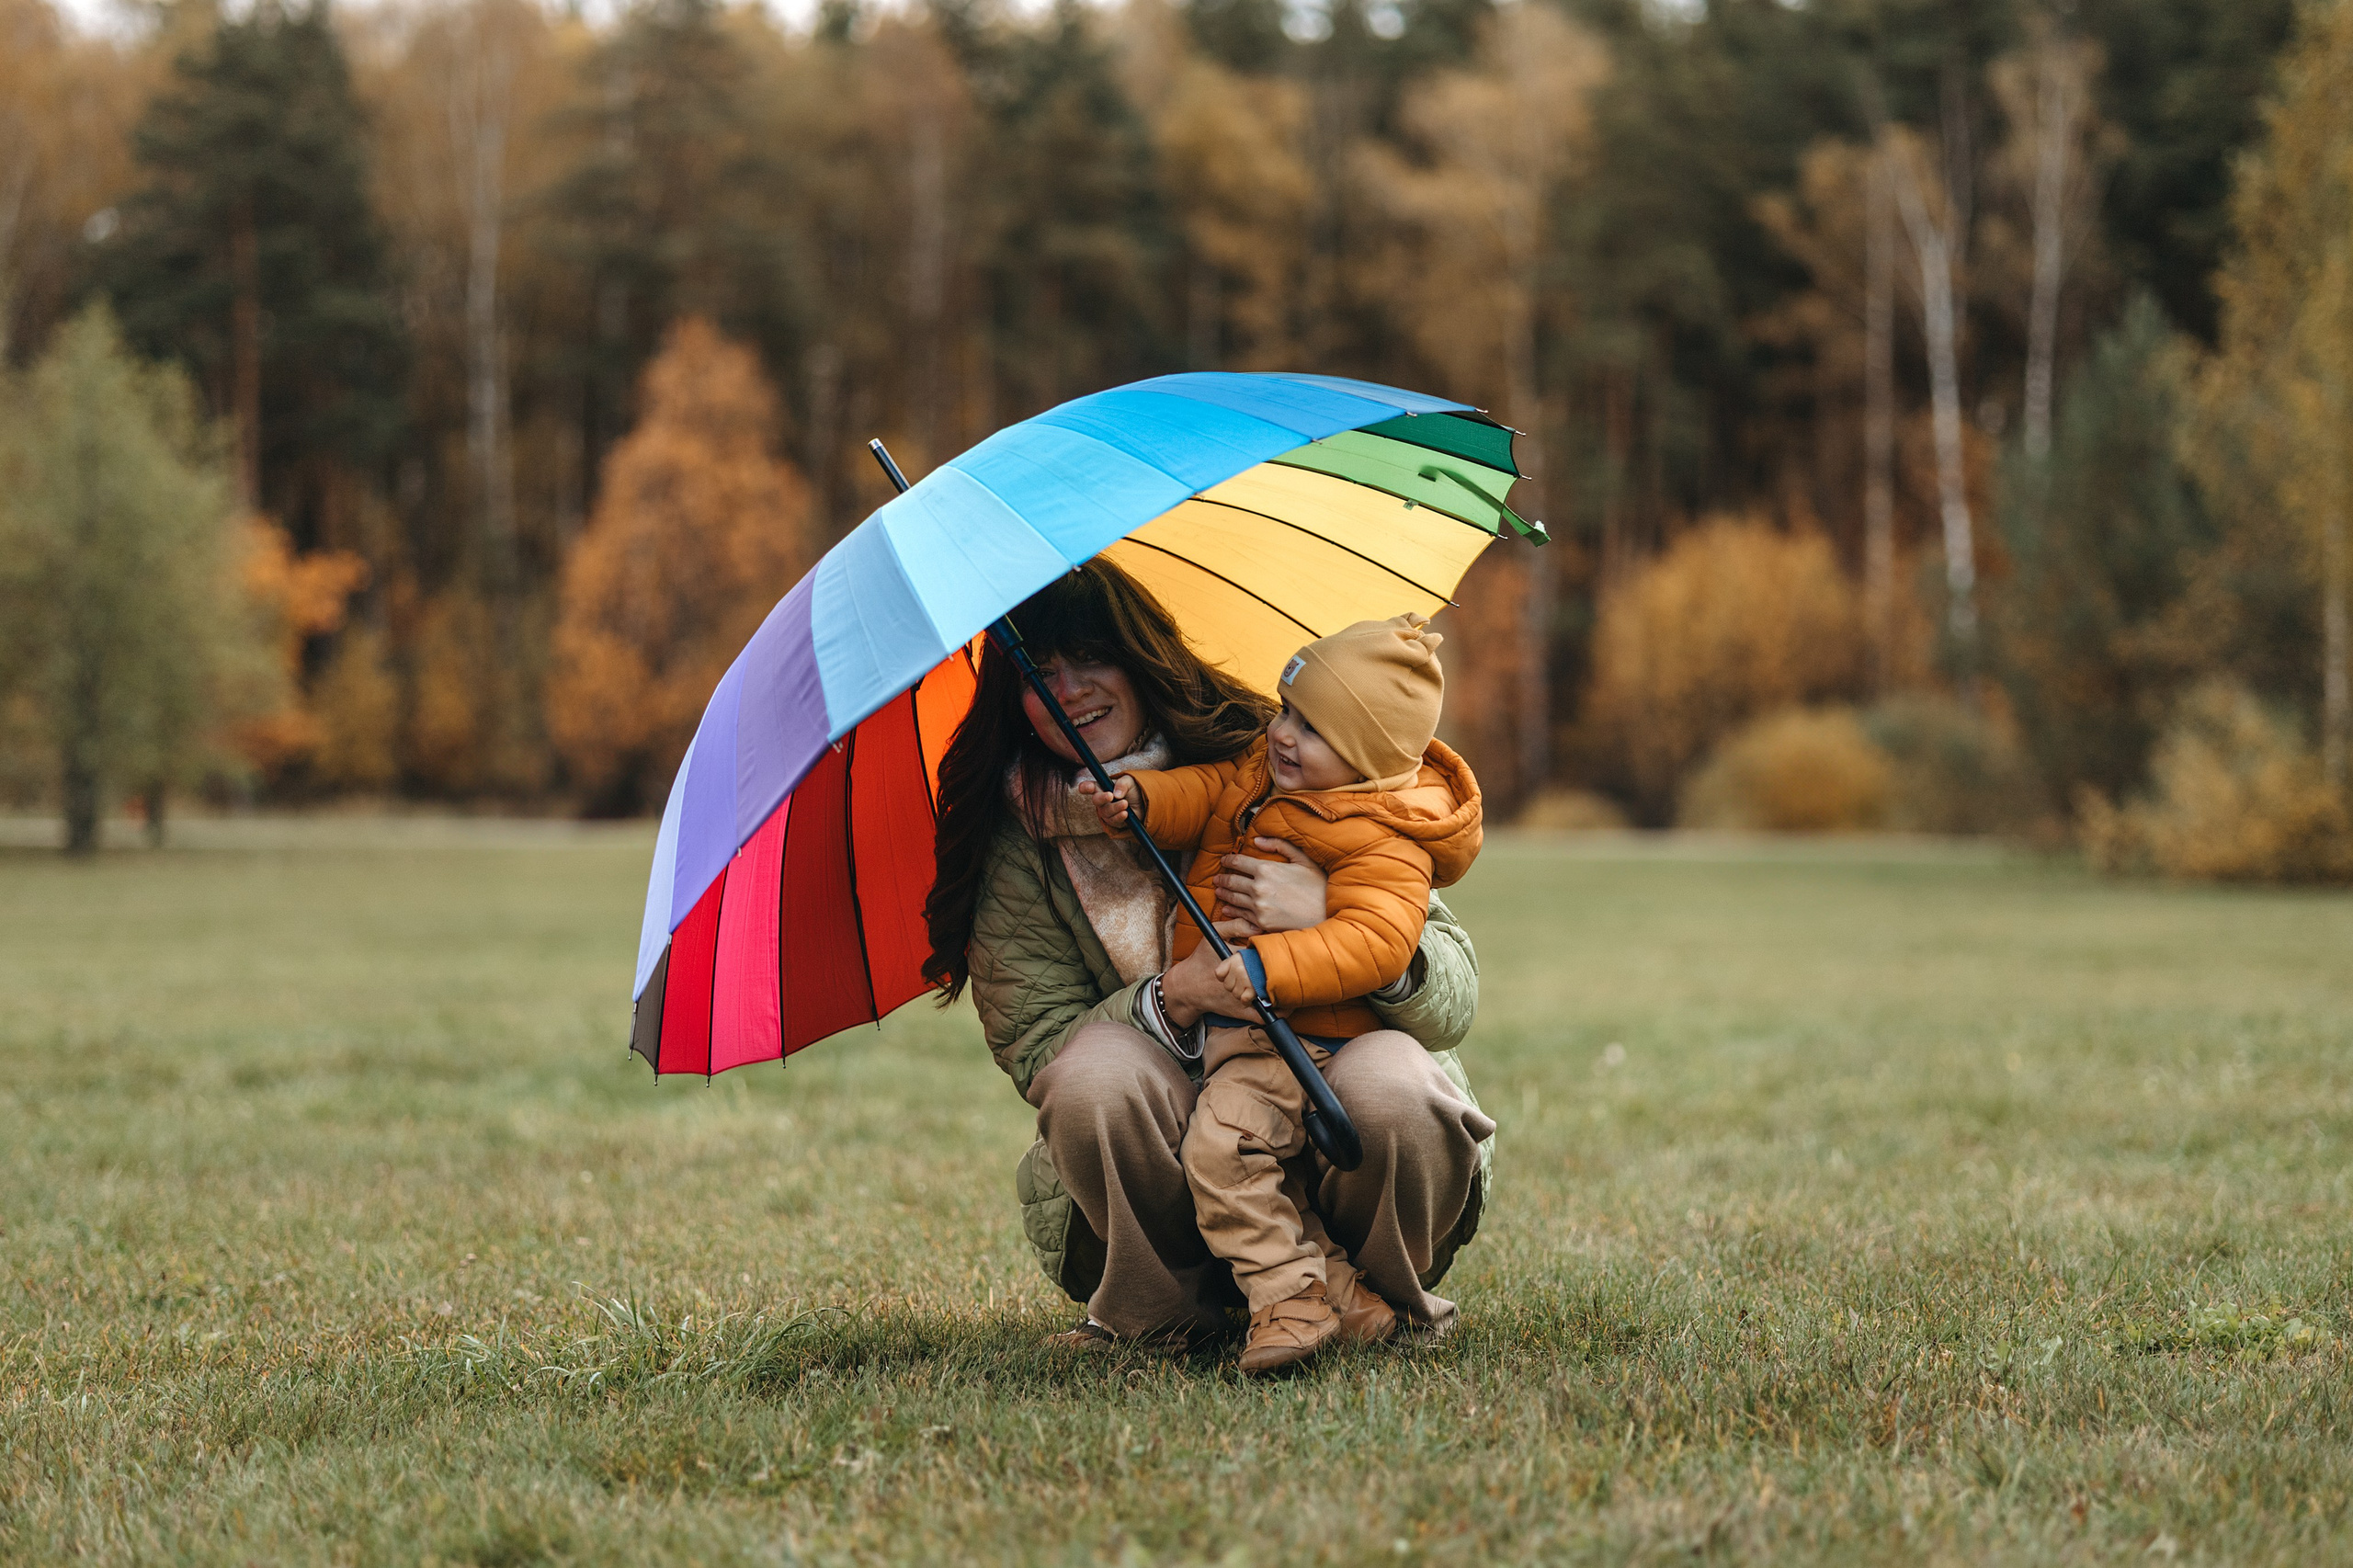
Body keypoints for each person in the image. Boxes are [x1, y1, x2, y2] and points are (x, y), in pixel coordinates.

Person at [921, 561, 1496, 1349]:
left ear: (1140, 656)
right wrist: (1173, 1001)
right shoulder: (1021, 838)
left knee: (1397, 1083)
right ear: (1014, 697)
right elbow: (1037, 1041)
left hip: (1321, 1083)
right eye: (1043, 673)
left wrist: (1322, 911)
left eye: (1092, 658)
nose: (1072, 688)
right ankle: (1161, 1316)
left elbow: (1453, 993)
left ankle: (1377, 1301)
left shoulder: (1293, 770)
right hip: (1176, 1132)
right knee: (1093, 1075)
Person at [1084, 613, 1482, 1372]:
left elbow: (1376, 942)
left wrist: (1273, 966)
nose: (1283, 735)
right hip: (1253, 1036)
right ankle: (1350, 1302)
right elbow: (1202, 792)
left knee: (1222, 1148)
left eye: (1313, 728)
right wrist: (1142, 800)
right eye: (1286, 712)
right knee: (1240, 1157)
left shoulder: (1388, 838)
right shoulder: (1264, 773)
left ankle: (1290, 1306)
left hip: (1309, 1040)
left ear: (1365, 757)